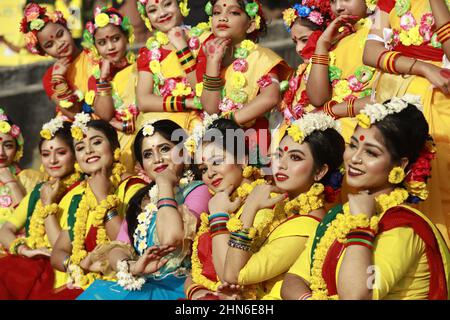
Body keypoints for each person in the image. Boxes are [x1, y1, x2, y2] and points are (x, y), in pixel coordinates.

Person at [281, 95, 450, 300]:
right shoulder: (340, 215)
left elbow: (355, 296)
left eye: (371, 153)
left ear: (400, 165)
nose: (355, 158)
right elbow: (293, 280)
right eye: (353, 146)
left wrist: (361, 228)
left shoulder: (403, 227)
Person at [76, 119, 211, 299]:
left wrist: (164, 183)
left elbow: (171, 238)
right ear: (141, 167)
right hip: (144, 284)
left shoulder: (198, 189)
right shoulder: (140, 200)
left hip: (179, 287)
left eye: (164, 149)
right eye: (148, 154)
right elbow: (119, 247)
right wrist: (131, 266)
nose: (157, 159)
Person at [220, 113, 345, 300]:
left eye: (295, 157)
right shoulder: (280, 204)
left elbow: (233, 275)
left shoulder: (307, 226)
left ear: (319, 171)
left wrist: (250, 207)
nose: (281, 165)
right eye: (279, 155)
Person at [363, 0, 450, 246]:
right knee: (388, 182)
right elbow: (370, 53)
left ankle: (436, 262)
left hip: (439, 102)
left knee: (436, 186)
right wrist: (421, 67)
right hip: (393, 98)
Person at [50, 114, 146, 296]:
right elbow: (58, 252)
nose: (88, 150)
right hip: (86, 283)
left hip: (122, 284)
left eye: (96, 142)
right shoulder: (78, 197)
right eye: (80, 147)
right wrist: (77, 265)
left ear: (115, 147)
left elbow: (127, 243)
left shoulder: (134, 188)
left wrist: (103, 198)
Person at [197, 0, 292, 167]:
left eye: (233, 13)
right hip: (216, 144)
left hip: (251, 139)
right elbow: (211, 109)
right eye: (217, 12)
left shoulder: (261, 57)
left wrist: (230, 121)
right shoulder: (210, 58)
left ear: (250, 25)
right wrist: (212, 62)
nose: (223, 18)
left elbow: (270, 97)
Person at [0, 119, 83, 299]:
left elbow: (59, 247)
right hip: (31, 268)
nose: (52, 160)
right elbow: (6, 230)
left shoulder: (83, 192)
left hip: (61, 272)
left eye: (61, 152)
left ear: (76, 153)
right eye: (45, 154)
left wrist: (47, 206)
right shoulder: (39, 190)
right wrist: (23, 250)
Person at [306, 0, 378, 142]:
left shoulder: (383, 32)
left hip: (369, 131)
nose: (339, 7)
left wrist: (331, 111)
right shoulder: (336, 39)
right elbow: (317, 98)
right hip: (331, 133)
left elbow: (387, 95)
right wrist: (322, 45)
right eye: (333, 1)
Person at [135, 0, 208, 133]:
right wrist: (186, 103)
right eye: (152, 10)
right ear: (147, 18)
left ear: (181, 4)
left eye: (167, 4)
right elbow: (143, 101)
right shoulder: (149, 54)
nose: (162, 13)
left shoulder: (204, 39)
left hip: (202, 122)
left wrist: (182, 48)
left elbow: (202, 90)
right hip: (167, 128)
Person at [81, 6, 138, 172]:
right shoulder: (96, 79)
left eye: (115, 38)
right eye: (102, 43)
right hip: (116, 141)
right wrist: (104, 79)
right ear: (95, 47)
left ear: (127, 37)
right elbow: (105, 115)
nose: (110, 47)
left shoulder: (141, 66)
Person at [20, 3, 93, 119]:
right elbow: (74, 114)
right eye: (49, 45)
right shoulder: (50, 77)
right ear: (44, 52)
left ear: (68, 30)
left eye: (60, 34)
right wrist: (58, 79)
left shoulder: (94, 54)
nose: (60, 44)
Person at [279, 1, 333, 124]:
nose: (299, 49)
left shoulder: (336, 60)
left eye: (305, 40)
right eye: (295, 42)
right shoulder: (302, 70)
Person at [0, 107, 43, 228]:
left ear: (17, 148)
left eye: (8, 146)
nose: (1, 153)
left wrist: (12, 184)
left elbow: (30, 223)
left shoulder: (29, 178)